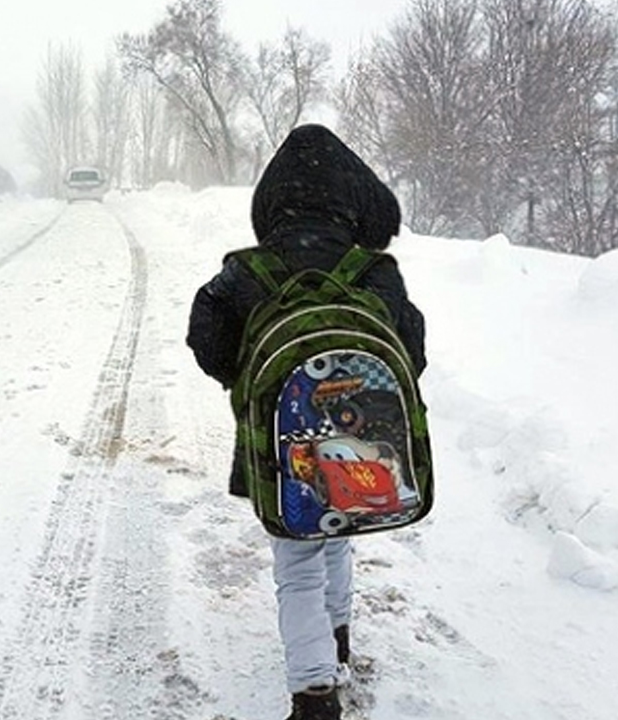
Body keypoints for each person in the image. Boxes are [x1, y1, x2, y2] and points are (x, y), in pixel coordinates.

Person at [186, 124, 427, 720]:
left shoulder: (247, 271)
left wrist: (247, 384)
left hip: (279, 444)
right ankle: (339, 640)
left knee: (296, 561)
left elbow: (205, 335)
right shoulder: (374, 271)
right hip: (360, 442)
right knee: (339, 532)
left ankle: (315, 692)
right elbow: (412, 352)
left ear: (270, 202)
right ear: (351, 199)